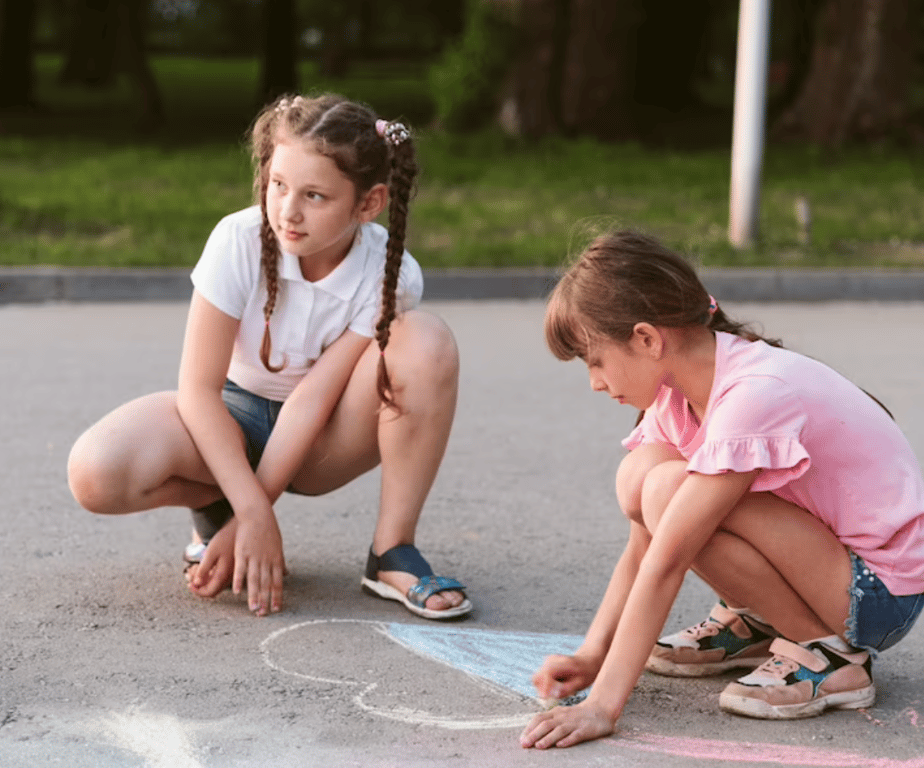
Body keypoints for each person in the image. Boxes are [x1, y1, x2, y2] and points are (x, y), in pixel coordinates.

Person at [67, 93, 470, 620]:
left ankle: (391, 551)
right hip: (229, 418)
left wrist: (256, 515)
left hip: (323, 439)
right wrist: (251, 515)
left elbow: (311, 401)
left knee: (426, 340)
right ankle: (218, 507)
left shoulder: (389, 272)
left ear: (368, 204)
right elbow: (198, 390)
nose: (288, 210)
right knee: (94, 472)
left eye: (315, 196)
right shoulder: (238, 239)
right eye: (278, 185)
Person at [521, 231, 924, 749]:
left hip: (879, 595)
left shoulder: (752, 395)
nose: (595, 381)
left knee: (670, 491)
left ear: (646, 338)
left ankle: (828, 657)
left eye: (594, 360)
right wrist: (592, 655)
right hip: (827, 565)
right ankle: (757, 622)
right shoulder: (678, 393)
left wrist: (604, 705)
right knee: (646, 478)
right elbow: (643, 544)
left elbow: (669, 558)